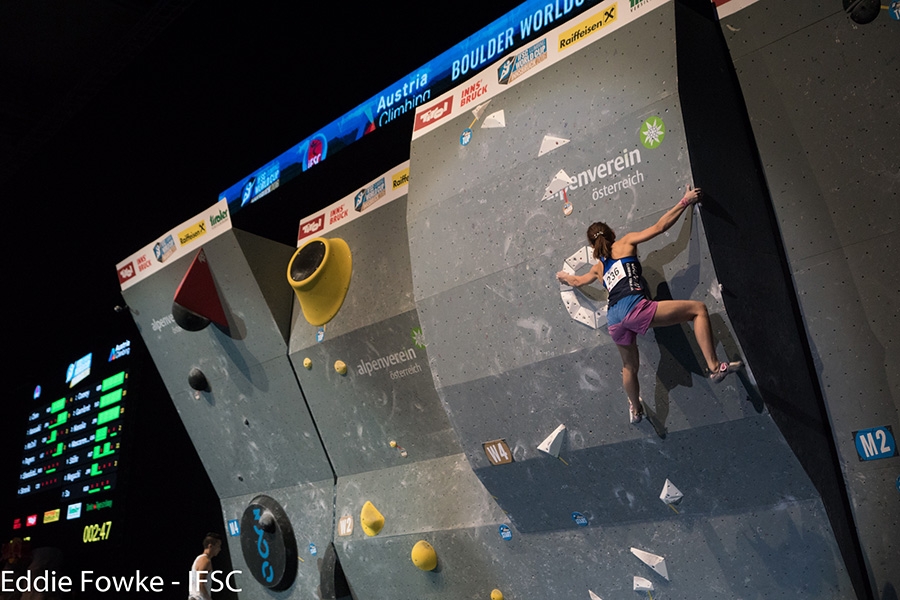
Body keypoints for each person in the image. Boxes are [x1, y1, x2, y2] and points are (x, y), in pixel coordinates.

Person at [557, 185, 741, 424]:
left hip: (615, 319)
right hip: (634, 308)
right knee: (698, 310)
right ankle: (715, 367)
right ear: (611, 232)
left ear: (593, 246)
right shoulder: (625, 243)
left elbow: (576, 281)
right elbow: (660, 227)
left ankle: (635, 409)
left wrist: (563, 277)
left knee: (629, 367)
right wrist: (685, 202)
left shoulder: (597, 268)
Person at [189, 533, 222, 600]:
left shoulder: (200, 559)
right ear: (210, 546)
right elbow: (200, 583)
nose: (219, 549)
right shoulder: (205, 561)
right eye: (218, 546)